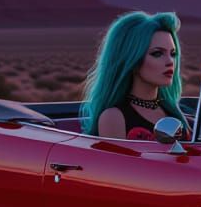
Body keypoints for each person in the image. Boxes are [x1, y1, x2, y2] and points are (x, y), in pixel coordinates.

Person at [80, 11, 188, 139]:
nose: (170, 62)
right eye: (157, 53)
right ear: (132, 59)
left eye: (173, 54)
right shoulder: (114, 117)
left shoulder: (174, 112)